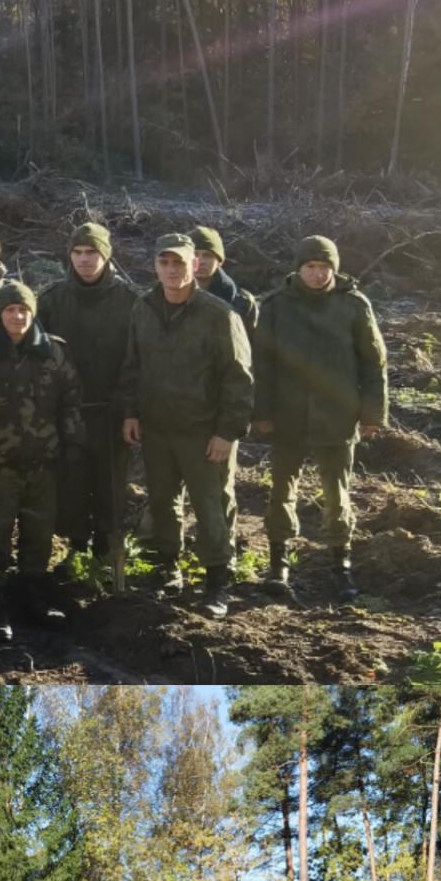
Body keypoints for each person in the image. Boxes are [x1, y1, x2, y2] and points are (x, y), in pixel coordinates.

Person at [120, 233, 255, 619]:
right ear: (155, 266)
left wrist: (227, 432)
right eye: (164, 263)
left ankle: (217, 582)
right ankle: (168, 568)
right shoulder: (143, 308)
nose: (171, 270)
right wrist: (131, 412)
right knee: (162, 503)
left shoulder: (219, 315)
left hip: (203, 432)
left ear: (195, 265)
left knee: (210, 507)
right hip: (158, 428)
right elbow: (133, 365)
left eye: (179, 263)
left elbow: (238, 378)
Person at [251, 235, 389, 602]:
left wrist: (372, 414)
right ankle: (278, 563)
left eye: (324, 267)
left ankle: (340, 565)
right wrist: (261, 412)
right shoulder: (276, 307)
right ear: (298, 268)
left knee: (337, 493)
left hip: (337, 416)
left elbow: (373, 363)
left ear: (335, 269)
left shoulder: (354, 306)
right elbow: (260, 364)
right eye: (310, 267)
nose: (317, 274)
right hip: (287, 416)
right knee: (281, 490)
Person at [0, 280, 84, 626]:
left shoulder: (55, 352)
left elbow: (70, 404)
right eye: (10, 309)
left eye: (23, 309)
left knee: (39, 533)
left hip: (44, 462)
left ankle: (32, 595)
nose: (17, 316)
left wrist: (72, 447)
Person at [39, 223, 136, 584]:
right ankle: (76, 549)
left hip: (111, 413)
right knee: (72, 483)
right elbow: (40, 358)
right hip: (68, 413)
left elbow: (135, 360)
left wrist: (129, 409)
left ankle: (107, 552)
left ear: (106, 255)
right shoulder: (52, 299)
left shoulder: (128, 300)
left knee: (111, 486)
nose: (84, 260)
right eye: (77, 253)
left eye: (91, 253)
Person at [190, 227, 258, 331]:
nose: (200, 261)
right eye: (195, 254)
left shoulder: (242, 303)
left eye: (207, 255)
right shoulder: (168, 296)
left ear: (219, 261)